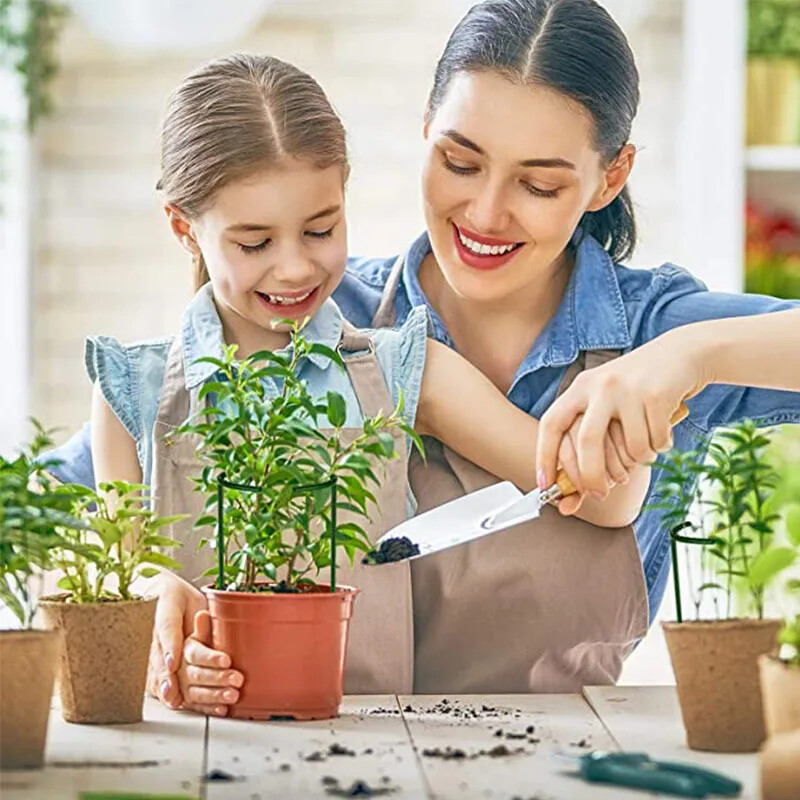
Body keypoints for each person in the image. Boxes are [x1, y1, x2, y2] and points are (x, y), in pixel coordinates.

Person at [47, 0, 800, 711]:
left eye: (538, 184)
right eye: (461, 162)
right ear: (425, 128)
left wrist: (687, 354)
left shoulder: (648, 328)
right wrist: (144, 604)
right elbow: (63, 525)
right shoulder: (313, 312)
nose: (484, 213)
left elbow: (609, 499)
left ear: (611, 176)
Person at [82, 52, 647, 717]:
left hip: (380, 752)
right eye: (254, 242)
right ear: (184, 228)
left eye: (320, 229)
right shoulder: (132, 392)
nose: (293, 268)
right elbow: (107, 584)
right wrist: (154, 596)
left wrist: (629, 422)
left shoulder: (406, 371)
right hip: (198, 752)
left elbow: (604, 500)